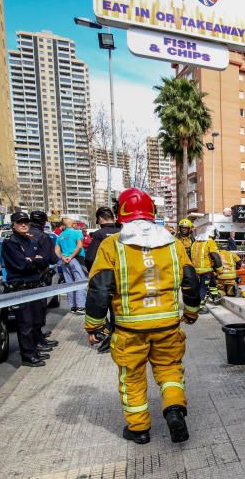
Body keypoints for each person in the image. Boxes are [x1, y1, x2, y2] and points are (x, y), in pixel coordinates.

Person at [85, 189, 201, 445]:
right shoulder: (173, 243)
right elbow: (191, 280)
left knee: (132, 376)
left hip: (130, 330)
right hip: (168, 326)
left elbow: (99, 287)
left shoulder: (111, 244)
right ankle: (173, 409)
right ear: (152, 213)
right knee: (170, 370)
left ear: (120, 213)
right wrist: (191, 313)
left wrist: (93, 325)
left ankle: (139, 430)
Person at [1, 212, 52, 367]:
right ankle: (28, 356)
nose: (24, 225)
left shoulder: (30, 239)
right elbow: (22, 265)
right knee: (25, 324)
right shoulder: (10, 243)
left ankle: (34, 349)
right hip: (21, 288)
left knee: (36, 320)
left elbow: (45, 260)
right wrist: (33, 260)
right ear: (13, 225)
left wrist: (33, 260)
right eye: (20, 222)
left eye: (26, 222)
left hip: (34, 286)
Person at [86, 207, 122, 353]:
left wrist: (94, 274)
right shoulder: (123, 232)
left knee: (103, 308)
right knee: (117, 311)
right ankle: (118, 338)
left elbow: (89, 258)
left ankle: (107, 337)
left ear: (100, 219)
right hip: (123, 278)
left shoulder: (99, 234)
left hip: (104, 280)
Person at [27, 211, 59, 350]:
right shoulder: (42, 237)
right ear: (44, 222)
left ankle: (37, 338)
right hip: (39, 278)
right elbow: (52, 258)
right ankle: (38, 340)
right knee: (38, 310)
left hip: (25, 280)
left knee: (29, 313)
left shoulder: (22, 236)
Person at [55, 218, 88, 313]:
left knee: (69, 282)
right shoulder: (77, 233)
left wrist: (63, 257)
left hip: (65, 261)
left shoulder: (60, 235)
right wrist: (71, 257)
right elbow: (79, 246)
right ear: (73, 224)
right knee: (81, 281)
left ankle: (73, 306)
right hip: (76, 259)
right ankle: (81, 306)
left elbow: (56, 250)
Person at [190, 232, 223, 304]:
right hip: (205, 270)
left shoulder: (195, 243)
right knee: (203, 287)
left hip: (196, 270)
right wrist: (219, 269)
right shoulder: (210, 242)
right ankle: (200, 306)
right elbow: (215, 256)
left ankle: (215, 296)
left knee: (212, 282)